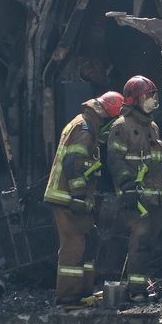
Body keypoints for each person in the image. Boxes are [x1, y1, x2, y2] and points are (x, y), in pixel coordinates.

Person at [44, 91, 125, 306]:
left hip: (74, 199)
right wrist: (79, 195)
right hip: (68, 199)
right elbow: (73, 162)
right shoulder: (85, 129)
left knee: (88, 242)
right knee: (73, 246)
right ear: (107, 118)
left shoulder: (87, 125)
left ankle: (84, 292)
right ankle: (69, 298)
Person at [107, 76, 162, 303]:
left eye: (152, 95)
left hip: (155, 198)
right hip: (135, 198)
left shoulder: (153, 127)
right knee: (142, 241)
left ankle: (127, 286)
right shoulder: (121, 126)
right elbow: (114, 160)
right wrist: (127, 186)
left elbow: (156, 163)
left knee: (147, 244)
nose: (150, 100)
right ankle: (137, 292)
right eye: (146, 96)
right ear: (133, 100)